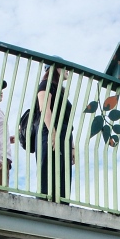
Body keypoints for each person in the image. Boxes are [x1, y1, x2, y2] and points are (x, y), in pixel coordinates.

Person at [34, 65, 75, 203]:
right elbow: (45, 109)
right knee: (49, 168)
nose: (67, 70)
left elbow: (67, 120)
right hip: (50, 131)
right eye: (64, 67)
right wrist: (52, 133)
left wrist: (72, 147)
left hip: (64, 135)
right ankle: (44, 204)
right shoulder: (45, 85)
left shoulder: (61, 91)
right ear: (54, 69)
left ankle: (62, 204)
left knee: (63, 172)